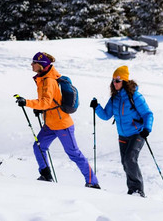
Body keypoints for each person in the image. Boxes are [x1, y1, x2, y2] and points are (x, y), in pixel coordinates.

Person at [15, 52, 100, 188]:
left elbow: (46, 102)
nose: (31, 64)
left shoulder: (49, 80)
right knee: (39, 146)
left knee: (74, 154)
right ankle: (46, 174)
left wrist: (27, 102)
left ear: (41, 65)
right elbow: (50, 102)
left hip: (62, 124)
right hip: (50, 123)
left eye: (34, 62)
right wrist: (39, 109)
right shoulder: (42, 78)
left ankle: (93, 182)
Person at [90, 65, 154, 197]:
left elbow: (148, 114)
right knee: (125, 162)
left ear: (124, 81)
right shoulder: (115, 98)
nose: (115, 83)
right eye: (113, 80)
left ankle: (138, 190)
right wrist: (96, 107)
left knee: (130, 159)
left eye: (117, 80)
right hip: (122, 135)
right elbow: (106, 115)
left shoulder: (134, 96)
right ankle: (132, 190)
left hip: (137, 133)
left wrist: (147, 129)